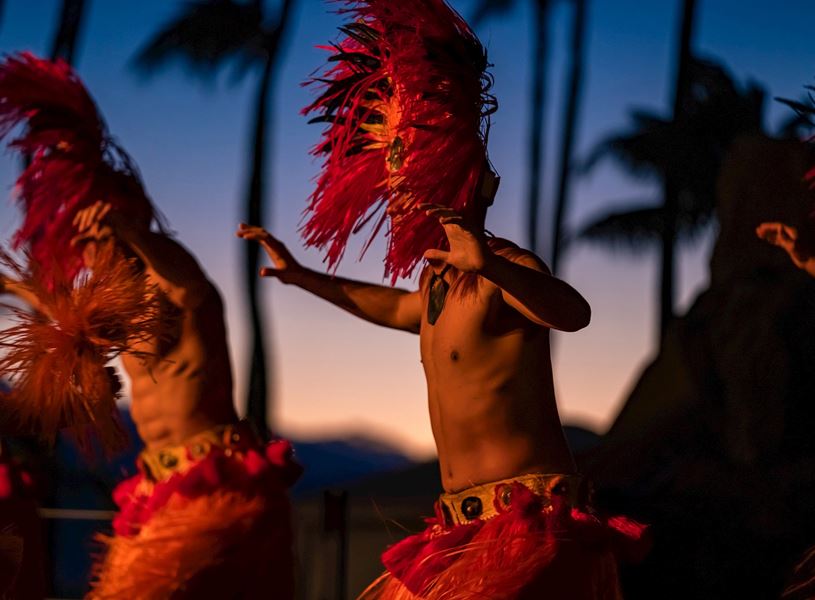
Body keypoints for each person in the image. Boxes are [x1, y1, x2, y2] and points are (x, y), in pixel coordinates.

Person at [238, 166, 646, 599]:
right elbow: (396, 309)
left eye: (405, 191)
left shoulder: (508, 265)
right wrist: (304, 277)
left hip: (530, 526)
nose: (394, 205)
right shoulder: (435, 280)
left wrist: (487, 265)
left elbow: (573, 314)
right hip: (460, 529)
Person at [0, 52, 299, 599]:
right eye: (82, 238)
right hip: (157, 489)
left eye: (95, 233)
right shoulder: (118, 312)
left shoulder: (179, 289)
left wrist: (127, 224)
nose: (87, 247)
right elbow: (64, 320)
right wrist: (14, 286)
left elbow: (183, 282)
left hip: (217, 487)